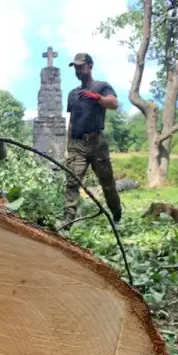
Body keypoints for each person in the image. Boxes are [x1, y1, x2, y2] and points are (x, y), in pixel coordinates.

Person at [60, 53, 122, 229]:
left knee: (107, 183)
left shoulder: (101, 86)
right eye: (76, 67)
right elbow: (71, 120)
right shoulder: (73, 94)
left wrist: (98, 98)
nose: (78, 70)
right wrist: (69, 144)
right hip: (77, 145)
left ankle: (116, 214)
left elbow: (114, 103)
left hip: (97, 143)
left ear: (90, 66)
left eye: (81, 66)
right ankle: (68, 221)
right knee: (72, 181)